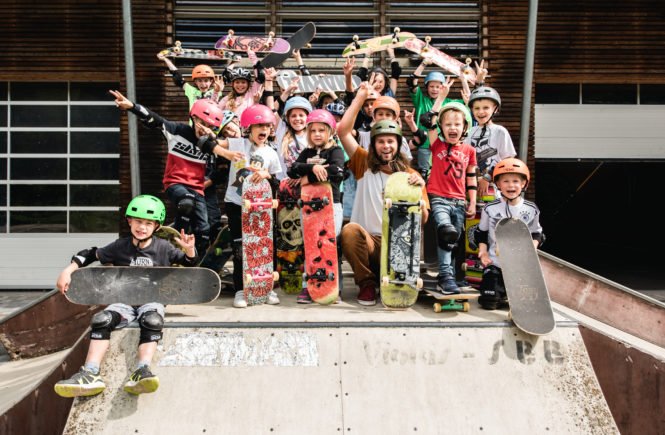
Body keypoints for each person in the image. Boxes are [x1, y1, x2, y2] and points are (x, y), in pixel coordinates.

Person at [53, 195, 197, 398]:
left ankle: (142, 370)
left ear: (156, 227)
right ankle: (90, 373)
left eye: (148, 223)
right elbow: (91, 254)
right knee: (101, 319)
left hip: (151, 300)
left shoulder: (163, 248)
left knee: (152, 320)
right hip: (123, 302)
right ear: (129, 221)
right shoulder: (120, 246)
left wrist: (189, 250)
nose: (142, 227)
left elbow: (190, 265)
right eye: (138, 221)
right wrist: (68, 271)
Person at [110, 90, 242, 256]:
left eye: (210, 126)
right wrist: (131, 106)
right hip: (175, 183)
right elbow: (154, 119)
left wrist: (229, 154)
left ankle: (194, 258)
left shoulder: (209, 141)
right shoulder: (178, 131)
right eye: (202, 123)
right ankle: (177, 237)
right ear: (194, 118)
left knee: (204, 229)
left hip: (197, 189)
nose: (204, 129)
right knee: (187, 203)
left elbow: (216, 152)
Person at [338, 90, 429, 306]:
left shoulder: (411, 176)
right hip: (370, 243)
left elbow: (423, 220)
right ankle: (367, 284)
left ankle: (393, 281)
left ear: (398, 145)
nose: (386, 146)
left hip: (397, 247)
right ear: (373, 144)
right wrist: (360, 98)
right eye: (380, 142)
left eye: (390, 141)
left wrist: (419, 195)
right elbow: (342, 132)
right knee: (349, 231)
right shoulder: (362, 163)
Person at [219, 104, 283, 308]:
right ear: (249, 127)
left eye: (266, 125)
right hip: (236, 203)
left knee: (263, 246)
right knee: (241, 247)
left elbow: (278, 182)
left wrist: (267, 175)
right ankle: (241, 289)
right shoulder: (238, 144)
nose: (263, 130)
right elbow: (215, 145)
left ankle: (267, 287)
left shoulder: (272, 153)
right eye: (258, 126)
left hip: (261, 207)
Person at [287, 109, 345, 303]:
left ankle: (334, 287)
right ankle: (308, 286)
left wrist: (307, 177)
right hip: (309, 207)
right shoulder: (308, 152)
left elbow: (337, 171)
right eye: (313, 131)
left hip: (331, 205)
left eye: (322, 130)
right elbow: (292, 169)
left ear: (330, 131)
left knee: (330, 246)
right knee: (311, 247)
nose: (317, 134)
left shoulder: (335, 151)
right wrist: (314, 168)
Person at [421, 99, 478, 295]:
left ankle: (450, 277)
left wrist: (472, 200)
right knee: (446, 232)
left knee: (453, 241)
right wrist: (441, 97)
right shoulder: (436, 144)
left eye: (457, 124)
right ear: (441, 127)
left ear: (465, 127)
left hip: (460, 201)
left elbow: (471, 177)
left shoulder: (470, 151)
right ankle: (445, 276)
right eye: (447, 124)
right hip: (438, 197)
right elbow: (428, 121)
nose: (452, 127)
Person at [475, 158, 544, 310]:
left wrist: (531, 248)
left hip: (520, 266)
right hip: (495, 263)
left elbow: (537, 234)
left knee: (526, 302)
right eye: (505, 181)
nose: (511, 185)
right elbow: (481, 233)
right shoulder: (490, 208)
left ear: (524, 184)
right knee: (489, 301)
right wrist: (483, 253)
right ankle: (499, 293)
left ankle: (507, 293)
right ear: (498, 184)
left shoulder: (531, 209)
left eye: (515, 181)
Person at [407, 61, 462, 178]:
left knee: (443, 174)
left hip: (444, 145)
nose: (435, 89)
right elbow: (412, 82)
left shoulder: (449, 103)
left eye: (438, 86)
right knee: (424, 175)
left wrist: (463, 78)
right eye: (431, 86)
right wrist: (423, 64)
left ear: (443, 87)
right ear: (427, 87)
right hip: (425, 145)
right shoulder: (421, 100)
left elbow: (469, 102)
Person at [465, 86, 516, 201]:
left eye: (486, 108)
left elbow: (508, 159)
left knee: (493, 215)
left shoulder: (500, 131)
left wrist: (487, 178)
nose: (481, 112)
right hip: (472, 185)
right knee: (473, 217)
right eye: (476, 108)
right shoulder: (470, 131)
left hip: (494, 185)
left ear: (495, 109)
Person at [274, 95, 313, 179]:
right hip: (284, 184)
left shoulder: (313, 135)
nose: (297, 118)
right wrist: (287, 92)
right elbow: (272, 109)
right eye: (293, 116)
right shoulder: (282, 130)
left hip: (306, 184)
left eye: (301, 115)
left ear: (308, 118)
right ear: (288, 118)